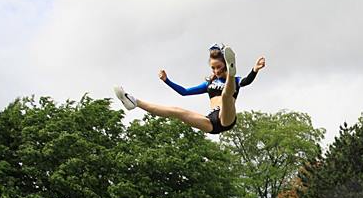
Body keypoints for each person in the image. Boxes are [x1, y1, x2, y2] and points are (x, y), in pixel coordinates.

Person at [114, 44, 265, 135]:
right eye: (213, 68)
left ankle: (232, 69)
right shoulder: (209, 84)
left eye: (219, 67)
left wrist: (255, 70)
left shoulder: (236, 81)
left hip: (227, 117)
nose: (216, 71)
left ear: (225, 65)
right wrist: (167, 81)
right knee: (177, 111)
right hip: (211, 121)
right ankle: (134, 101)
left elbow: (246, 81)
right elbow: (184, 92)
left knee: (226, 96)